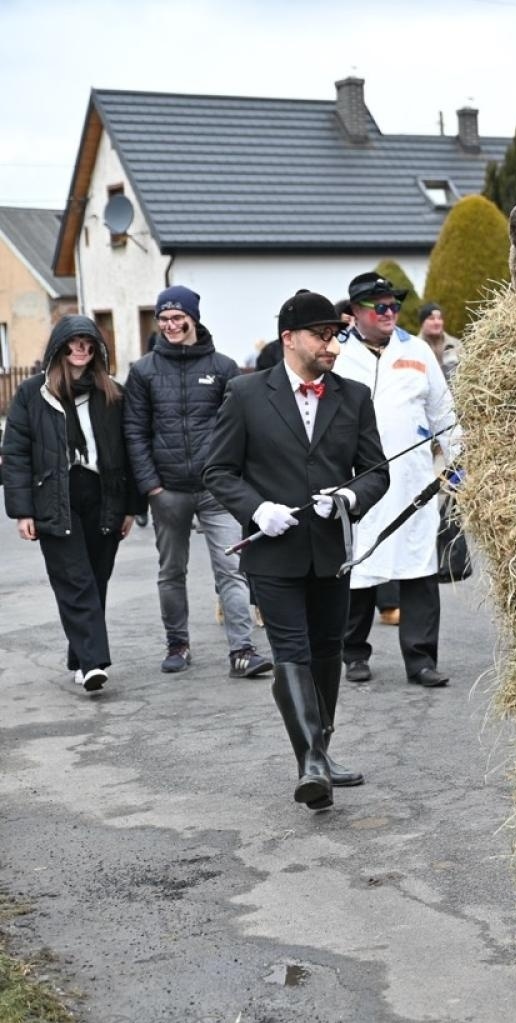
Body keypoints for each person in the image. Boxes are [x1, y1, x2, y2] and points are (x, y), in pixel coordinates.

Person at [204, 290, 389, 809]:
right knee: (292, 652)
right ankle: (309, 760)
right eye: (321, 335)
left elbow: (377, 474)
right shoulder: (245, 394)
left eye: (336, 335)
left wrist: (348, 497)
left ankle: (321, 752)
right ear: (289, 338)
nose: (331, 345)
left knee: (328, 651)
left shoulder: (353, 396)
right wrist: (257, 509)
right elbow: (218, 470)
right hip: (273, 552)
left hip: (330, 550)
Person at [123, 285, 271, 678]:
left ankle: (242, 651)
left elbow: (240, 427)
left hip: (217, 490)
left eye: (178, 317)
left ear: (193, 318)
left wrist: (236, 478)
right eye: (164, 319)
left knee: (232, 568)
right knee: (172, 571)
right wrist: (151, 486)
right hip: (167, 490)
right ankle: (178, 644)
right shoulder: (143, 371)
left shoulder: (222, 368)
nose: (171, 325)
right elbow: (135, 431)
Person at [3, 317, 144, 692]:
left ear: (97, 349)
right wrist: (22, 512)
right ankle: (94, 663)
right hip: (55, 494)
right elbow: (15, 453)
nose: (81, 349)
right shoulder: (34, 394)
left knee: (96, 579)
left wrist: (131, 506)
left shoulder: (112, 393)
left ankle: (80, 657)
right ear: (59, 348)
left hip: (104, 494)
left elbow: (130, 452)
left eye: (88, 343)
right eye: (73, 343)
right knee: (75, 580)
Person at [336, 272, 459, 687]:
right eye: (380, 307)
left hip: (413, 481)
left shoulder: (417, 350)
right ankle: (353, 652)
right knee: (359, 568)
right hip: (357, 480)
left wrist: (459, 464)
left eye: (393, 306)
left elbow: (444, 413)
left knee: (419, 568)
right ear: (355, 313)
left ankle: (421, 660)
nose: (390, 313)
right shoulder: (337, 353)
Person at [415, 302, 462, 382]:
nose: (437, 322)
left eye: (439, 318)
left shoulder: (456, 345)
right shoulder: (414, 347)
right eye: (431, 318)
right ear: (422, 323)